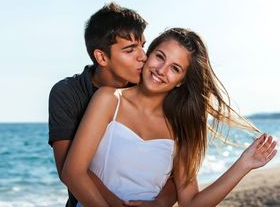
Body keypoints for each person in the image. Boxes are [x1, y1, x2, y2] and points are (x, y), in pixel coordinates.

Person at [63, 28, 278, 206]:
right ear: (148, 54)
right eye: (159, 57)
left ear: (181, 81)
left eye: (174, 68)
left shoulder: (180, 127)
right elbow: (73, 172)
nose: (161, 70)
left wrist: (243, 165)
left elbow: (191, 203)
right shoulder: (109, 99)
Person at [48, 2, 177, 207]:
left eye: (142, 46)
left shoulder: (152, 86)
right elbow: (68, 169)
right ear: (101, 57)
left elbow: (177, 172)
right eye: (130, 50)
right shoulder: (67, 93)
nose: (143, 57)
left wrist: (160, 203)